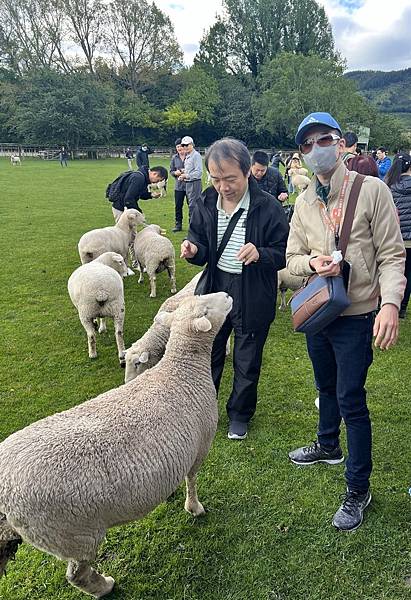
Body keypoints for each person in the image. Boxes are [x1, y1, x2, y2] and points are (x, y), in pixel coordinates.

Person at [286, 112, 405, 532]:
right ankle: (328, 444)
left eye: (324, 140)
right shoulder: (303, 202)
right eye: (307, 144)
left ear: (340, 144)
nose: (316, 149)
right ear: (301, 154)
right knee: (324, 387)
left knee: (351, 398)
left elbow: (392, 255)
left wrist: (390, 304)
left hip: (356, 314)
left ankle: (358, 489)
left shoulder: (371, 191)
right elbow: (290, 260)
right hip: (320, 311)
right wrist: (311, 262)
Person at [180, 138, 289, 441]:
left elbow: (284, 253)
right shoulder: (204, 201)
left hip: (253, 290)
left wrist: (261, 254)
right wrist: (193, 250)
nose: (223, 187)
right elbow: (199, 242)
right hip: (216, 286)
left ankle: (239, 414)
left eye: (230, 179)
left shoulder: (267, 207)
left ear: (247, 173)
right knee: (208, 352)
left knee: (247, 356)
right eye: (216, 179)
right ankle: (203, 409)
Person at [385, 153, 411, 319]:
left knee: (389, 270)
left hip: (392, 238)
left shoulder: (388, 185)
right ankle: (401, 307)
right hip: (410, 240)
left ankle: (384, 302)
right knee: (408, 273)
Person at [178, 136, 203, 219]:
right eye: (183, 145)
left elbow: (198, 172)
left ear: (192, 144)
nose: (185, 147)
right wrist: (184, 172)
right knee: (191, 205)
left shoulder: (196, 155)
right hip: (188, 183)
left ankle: (194, 228)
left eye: (187, 145)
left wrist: (186, 175)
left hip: (195, 183)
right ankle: (193, 227)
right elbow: (191, 169)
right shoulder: (188, 156)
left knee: (194, 206)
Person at [170, 138, 188, 232]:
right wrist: (175, 173)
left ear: (184, 146)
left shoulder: (189, 156)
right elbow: (171, 171)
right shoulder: (174, 158)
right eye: (177, 147)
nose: (179, 148)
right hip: (179, 186)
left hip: (190, 186)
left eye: (180, 146)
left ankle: (193, 225)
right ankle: (178, 225)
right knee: (178, 206)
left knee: (192, 206)